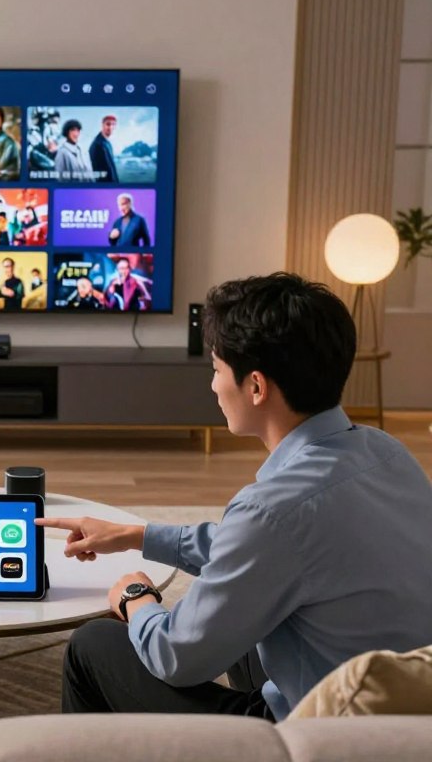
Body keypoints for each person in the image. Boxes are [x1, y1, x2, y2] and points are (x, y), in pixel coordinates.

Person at [37, 272, 432, 721]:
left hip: (318, 732)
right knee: (246, 613)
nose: (212, 386)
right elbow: (267, 548)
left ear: (257, 387)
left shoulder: (272, 510)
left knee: (94, 645)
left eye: (216, 370)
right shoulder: (387, 451)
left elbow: (175, 658)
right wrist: (138, 535)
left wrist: (134, 598)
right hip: (407, 707)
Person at [89, 114, 120, 182]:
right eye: (108, 124)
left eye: (113, 124)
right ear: (102, 125)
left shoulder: (107, 143)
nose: (111, 127)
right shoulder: (97, 145)